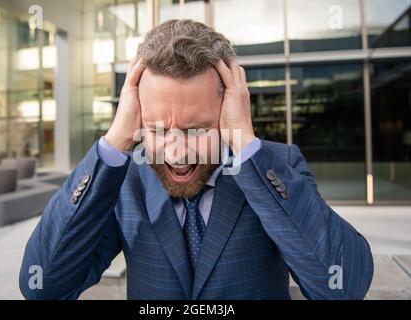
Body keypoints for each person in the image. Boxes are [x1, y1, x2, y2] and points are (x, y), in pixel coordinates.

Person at [19, 19, 373, 300]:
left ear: (228, 111)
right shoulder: (125, 181)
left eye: (198, 129)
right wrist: (116, 141)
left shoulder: (276, 166)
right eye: (158, 129)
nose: (177, 152)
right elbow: (42, 287)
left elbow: (341, 287)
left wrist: (245, 144)